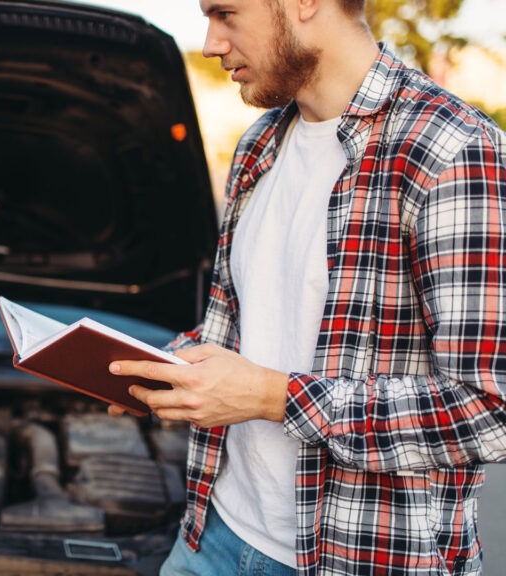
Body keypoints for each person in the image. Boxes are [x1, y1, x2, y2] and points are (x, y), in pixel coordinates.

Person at [108, 0, 506, 575]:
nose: (211, 43)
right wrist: (155, 367)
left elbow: (490, 407)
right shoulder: (259, 146)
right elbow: (252, 325)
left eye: (226, 14)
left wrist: (273, 398)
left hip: (362, 559)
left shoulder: (452, 152)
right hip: (212, 536)